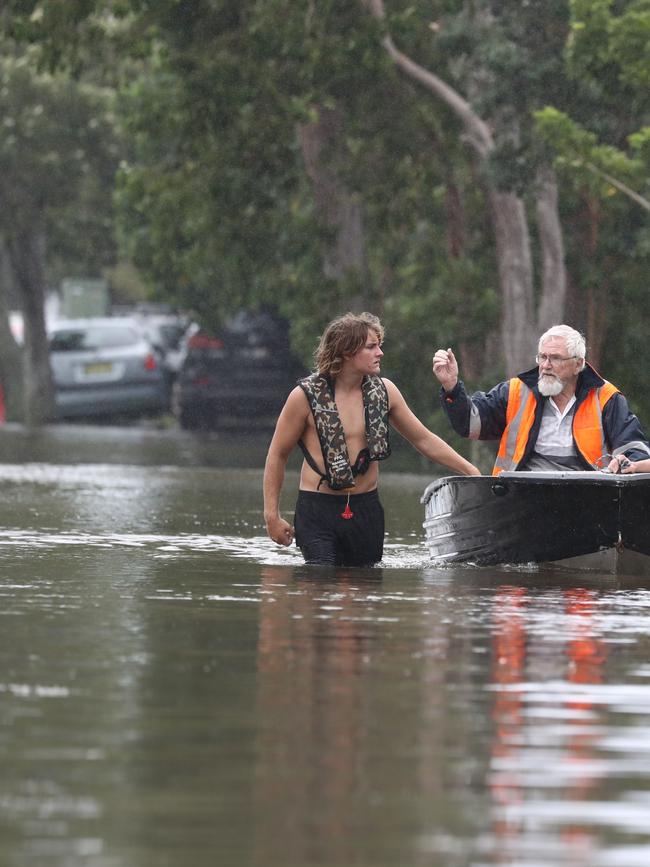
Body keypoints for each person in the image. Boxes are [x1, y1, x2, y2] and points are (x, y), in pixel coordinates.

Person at [264, 311, 480, 567]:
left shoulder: (386, 391)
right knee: (319, 584)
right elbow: (277, 454)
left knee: (363, 594)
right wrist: (271, 516)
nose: (380, 353)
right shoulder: (303, 397)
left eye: (379, 345)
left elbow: (424, 440)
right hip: (317, 509)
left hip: (365, 509)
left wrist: (470, 470)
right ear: (347, 351)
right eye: (371, 347)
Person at [432, 323, 650, 475]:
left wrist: (626, 462)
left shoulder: (606, 397)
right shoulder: (517, 390)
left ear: (578, 364)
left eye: (555, 358)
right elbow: (469, 424)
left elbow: (634, 451)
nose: (545, 365)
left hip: (589, 495)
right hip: (518, 496)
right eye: (542, 357)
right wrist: (451, 387)